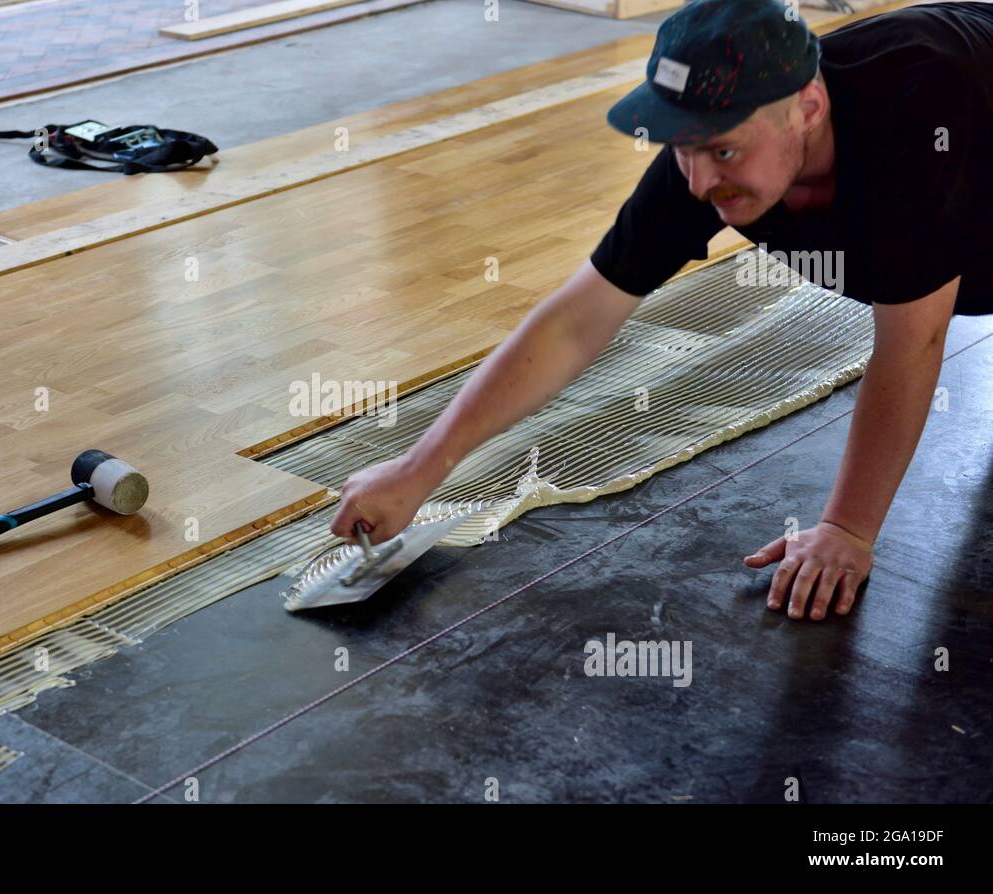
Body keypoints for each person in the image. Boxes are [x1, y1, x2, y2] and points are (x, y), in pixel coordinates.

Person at [329, 0, 993, 621]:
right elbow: (577, 320)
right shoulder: (708, 154)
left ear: (809, 108)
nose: (701, 182)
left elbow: (914, 340)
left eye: (724, 150)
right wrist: (418, 470)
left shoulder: (921, 114)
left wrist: (848, 529)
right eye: (682, 146)